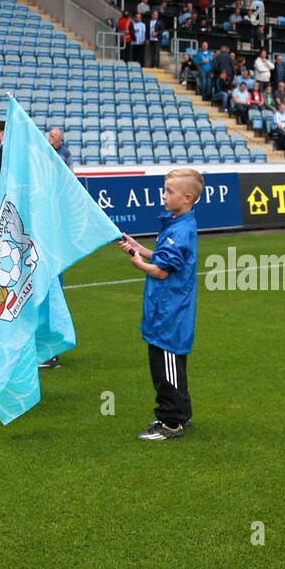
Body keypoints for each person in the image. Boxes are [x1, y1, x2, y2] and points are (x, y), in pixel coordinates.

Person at [117, 168, 201, 441]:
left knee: (166, 369)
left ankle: (171, 423)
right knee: (171, 367)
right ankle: (181, 414)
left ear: (187, 197)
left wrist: (140, 263)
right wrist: (140, 248)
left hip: (170, 314)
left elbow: (162, 271)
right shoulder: (178, 224)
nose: (163, 196)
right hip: (166, 310)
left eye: (169, 192)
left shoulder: (181, 230)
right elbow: (165, 257)